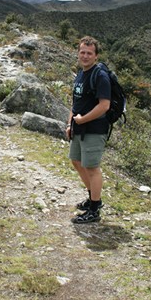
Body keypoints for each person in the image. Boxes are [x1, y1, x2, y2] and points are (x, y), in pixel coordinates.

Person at [66, 36, 111, 224]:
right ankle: (93, 197)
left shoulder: (100, 76)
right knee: (77, 161)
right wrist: (70, 124)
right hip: (79, 127)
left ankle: (94, 210)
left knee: (92, 168)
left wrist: (83, 120)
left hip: (94, 129)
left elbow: (104, 105)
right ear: (78, 53)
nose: (85, 56)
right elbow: (76, 103)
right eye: (82, 52)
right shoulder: (81, 73)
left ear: (96, 56)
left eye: (89, 53)